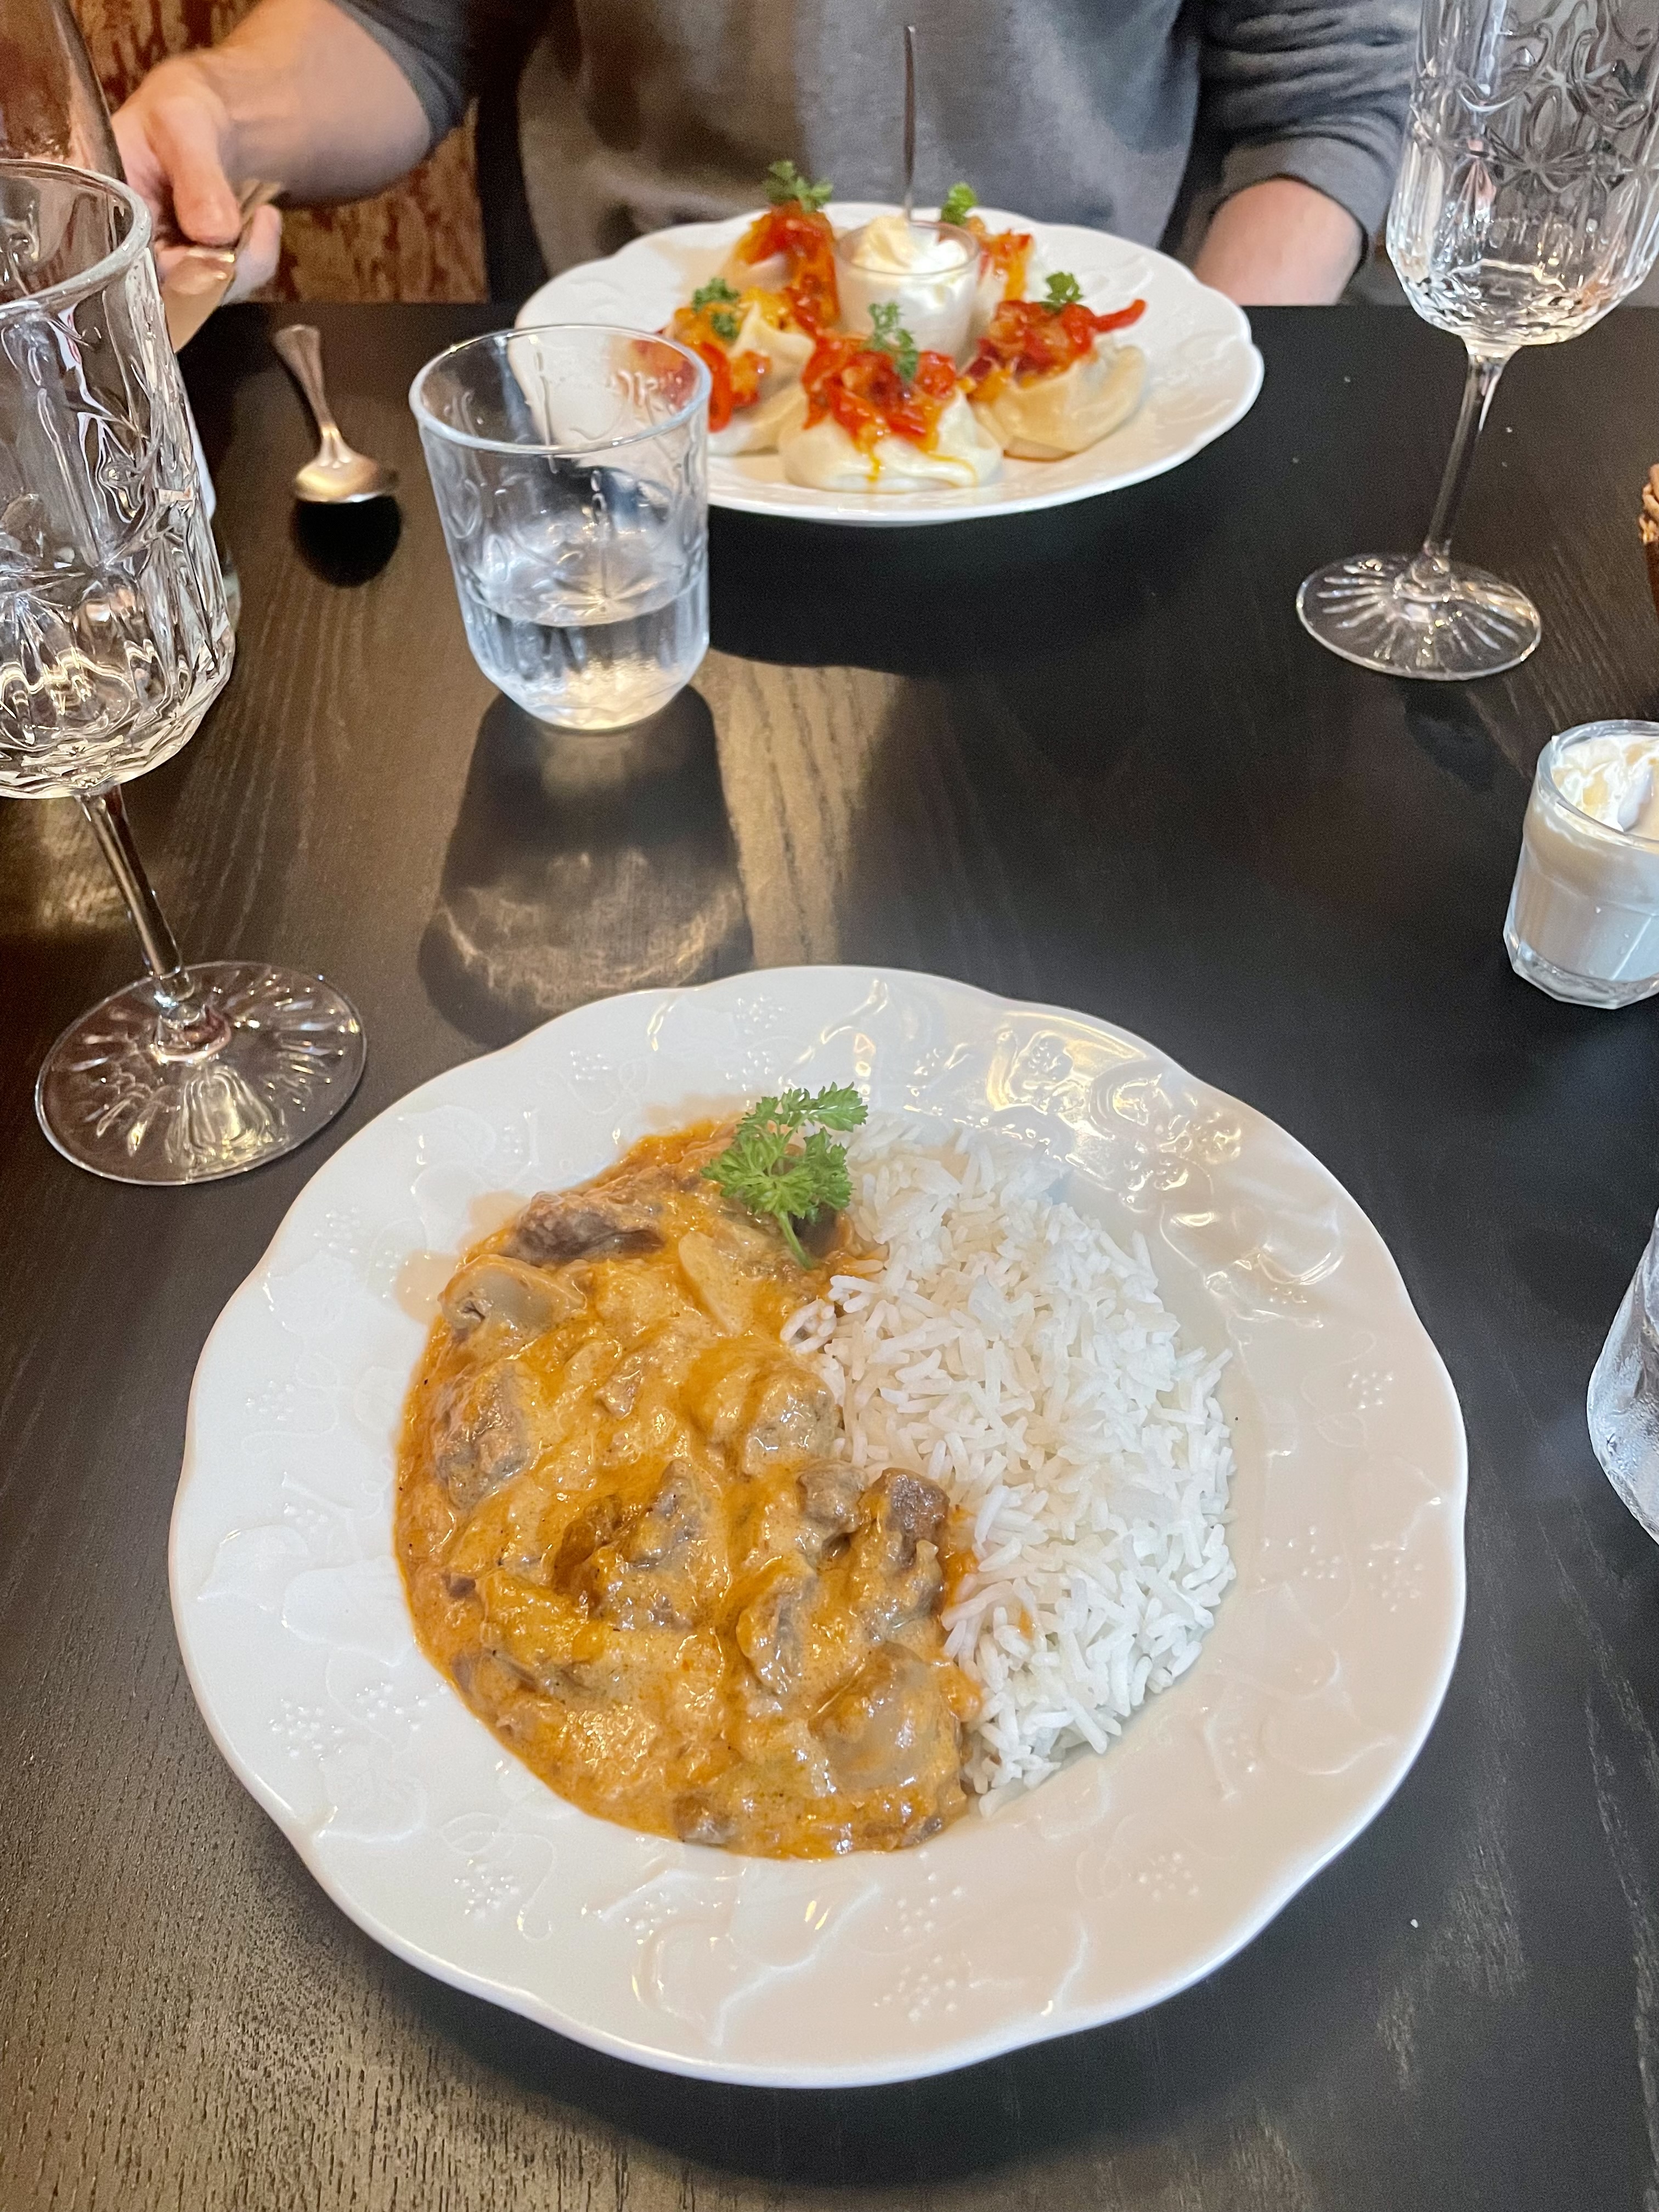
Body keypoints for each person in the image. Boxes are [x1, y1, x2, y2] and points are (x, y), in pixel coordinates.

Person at [113, 0, 1417, 311]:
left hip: (1080, 448)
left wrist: (1181, 395)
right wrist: (217, 114)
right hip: (622, 442)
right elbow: (406, 20)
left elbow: (1330, 94)